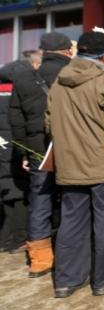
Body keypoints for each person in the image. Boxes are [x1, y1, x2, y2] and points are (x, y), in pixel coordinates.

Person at [45, 31, 104, 298]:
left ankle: (67, 280)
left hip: (69, 166)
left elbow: (49, 123)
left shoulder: (58, 83)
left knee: (71, 223)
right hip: (103, 166)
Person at [9, 34, 74, 277]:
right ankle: (70, 253)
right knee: (73, 199)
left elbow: (16, 121)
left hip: (38, 149)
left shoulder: (24, 78)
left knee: (40, 200)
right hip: (72, 147)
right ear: (67, 51)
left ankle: (39, 260)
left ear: (43, 51)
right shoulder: (74, 74)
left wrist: (24, 152)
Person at [0, 64, 28, 254]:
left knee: (4, 191)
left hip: (1, 147)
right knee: (20, 192)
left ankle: (4, 239)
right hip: (17, 148)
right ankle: (19, 239)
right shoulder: (20, 94)